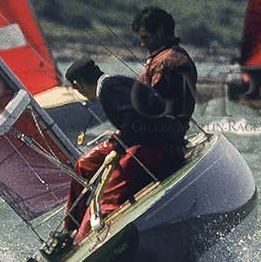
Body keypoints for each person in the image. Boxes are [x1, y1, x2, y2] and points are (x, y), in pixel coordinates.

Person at [55, 58, 188, 245]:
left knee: (110, 189)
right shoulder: (115, 84)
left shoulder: (111, 89)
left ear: (78, 84)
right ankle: (70, 228)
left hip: (158, 144)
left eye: (77, 89)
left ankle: (83, 239)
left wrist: (117, 150)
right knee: (84, 165)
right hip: (143, 137)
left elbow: (132, 115)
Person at [134, 6, 198, 124]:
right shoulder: (180, 55)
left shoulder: (166, 62)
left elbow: (151, 103)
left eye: (145, 37)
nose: (143, 44)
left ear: (159, 32)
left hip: (158, 133)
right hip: (173, 130)